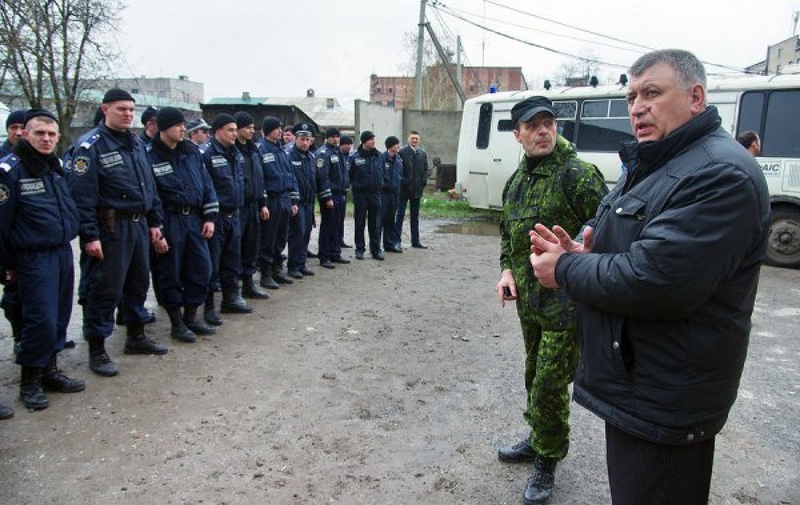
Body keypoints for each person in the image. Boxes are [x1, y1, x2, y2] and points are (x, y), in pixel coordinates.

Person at [529, 49, 770, 505]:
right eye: (631, 96)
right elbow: (639, 248)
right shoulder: (656, 161)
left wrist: (563, 267)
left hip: (665, 398)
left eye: (652, 93)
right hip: (639, 384)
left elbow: (655, 280)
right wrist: (586, 251)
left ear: (695, 97)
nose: (637, 106)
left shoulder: (719, 173)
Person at [495, 96, 608, 505]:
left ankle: (546, 458)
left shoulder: (577, 174)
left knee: (548, 383)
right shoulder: (516, 181)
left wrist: (583, 259)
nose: (543, 130)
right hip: (530, 305)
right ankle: (538, 436)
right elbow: (508, 234)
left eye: (549, 123)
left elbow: (609, 230)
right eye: (533, 125)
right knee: (533, 374)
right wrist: (507, 270)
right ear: (518, 134)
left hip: (568, 305)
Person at [67, 88, 168, 378]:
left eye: (130, 109)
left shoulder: (136, 143)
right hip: (109, 228)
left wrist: (154, 222)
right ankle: (97, 350)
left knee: (137, 281)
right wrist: (89, 235)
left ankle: (136, 336)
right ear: (105, 109)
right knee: (103, 288)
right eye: (121, 108)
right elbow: (82, 196)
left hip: (138, 224)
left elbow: (149, 187)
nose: (127, 113)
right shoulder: (90, 147)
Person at [0, 109, 85, 410]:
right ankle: (30, 381)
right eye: (39, 133)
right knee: (40, 321)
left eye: (51, 134)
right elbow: (1, 224)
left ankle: (50, 371)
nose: (46, 139)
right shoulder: (10, 170)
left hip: (61, 252)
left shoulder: (54, 166)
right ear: (24, 134)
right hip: (32, 258)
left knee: (60, 316)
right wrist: (6, 266)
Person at [146, 107, 219, 343]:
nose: (183, 129)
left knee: (201, 269)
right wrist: (157, 227)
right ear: (164, 127)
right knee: (170, 273)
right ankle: (177, 323)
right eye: (178, 125)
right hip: (169, 220)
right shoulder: (150, 155)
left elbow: (206, 185)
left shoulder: (191, 153)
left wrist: (209, 217)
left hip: (194, 219)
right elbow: (150, 194)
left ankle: (192, 317)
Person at [199, 113, 252, 323]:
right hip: (216, 216)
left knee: (232, 259)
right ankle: (209, 306)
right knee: (212, 263)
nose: (233, 133)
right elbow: (204, 187)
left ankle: (231, 299)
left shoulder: (235, 153)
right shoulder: (206, 153)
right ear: (217, 130)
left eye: (234, 129)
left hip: (234, 213)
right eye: (230, 130)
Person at [257, 117, 298, 288]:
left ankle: (277, 269)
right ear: (267, 130)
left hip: (284, 198)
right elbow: (260, 179)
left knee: (281, 236)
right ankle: (266, 274)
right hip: (271, 199)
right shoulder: (260, 150)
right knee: (268, 238)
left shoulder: (281, 150)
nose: (280, 132)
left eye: (280, 129)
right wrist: (263, 203)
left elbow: (291, 175)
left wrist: (293, 200)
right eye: (276, 129)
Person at [233, 111, 270, 300]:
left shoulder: (253, 150)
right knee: (235, 248)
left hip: (254, 205)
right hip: (238, 207)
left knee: (251, 246)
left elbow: (259, 178)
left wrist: (263, 203)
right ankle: (233, 291)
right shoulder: (232, 150)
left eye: (253, 128)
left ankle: (249, 285)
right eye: (248, 127)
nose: (251, 131)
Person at [1, 109, 27, 367]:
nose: (18, 133)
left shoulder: (38, 161)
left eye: (22, 127)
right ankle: (20, 337)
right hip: (11, 245)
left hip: (30, 242)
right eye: (13, 127)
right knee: (13, 297)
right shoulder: (4, 164)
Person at [287, 122, 330, 278]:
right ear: (296, 139)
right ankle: (292, 266)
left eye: (308, 140)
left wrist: (325, 196)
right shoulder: (289, 156)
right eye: (302, 139)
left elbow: (317, 179)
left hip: (309, 202)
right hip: (296, 203)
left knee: (306, 233)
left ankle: (301, 263)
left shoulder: (311, 157)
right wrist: (292, 201)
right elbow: (288, 180)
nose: (305, 142)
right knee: (296, 234)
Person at [315, 128, 350, 268]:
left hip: (340, 194)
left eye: (337, 137)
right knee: (327, 226)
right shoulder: (323, 154)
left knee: (337, 225)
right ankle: (324, 256)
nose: (336, 139)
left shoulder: (338, 152)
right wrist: (327, 197)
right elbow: (323, 177)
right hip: (330, 195)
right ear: (327, 138)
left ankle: (335, 252)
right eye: (333, 137)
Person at [349, 130, 384, 261]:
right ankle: (359, 249)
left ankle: (376, 249)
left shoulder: (379, 156)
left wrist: (381, 184)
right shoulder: (355, 157)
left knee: (375, 223)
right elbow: (350, 175)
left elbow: (383, 173)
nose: (373, 141)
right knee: (360, 222)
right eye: (371, 139)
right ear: (364, 141)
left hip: (375, 194)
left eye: (374, 139)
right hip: (360, 194)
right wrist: (357, 186)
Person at [395, 130, 429, 249]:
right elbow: (398, 170)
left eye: (417, 138)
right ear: (408, 139)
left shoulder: (422, 153)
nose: (415, 140)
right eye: (413, 138)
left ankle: (415, 241)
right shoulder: (402, 152)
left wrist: (423, 181)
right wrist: (404, 182)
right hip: (403, 190)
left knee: (415, 217)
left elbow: (426, 169)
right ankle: (396, 241)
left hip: (417, 190)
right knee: (400, 216)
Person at [380, 136, 403, 253]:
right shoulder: (381, 159)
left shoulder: (398, 160)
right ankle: (376, 246)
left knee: (390, 220)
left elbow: (400, 176)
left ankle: (389, 244)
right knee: (379, 220)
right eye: (396, 144)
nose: (398, 146)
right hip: (383, 194)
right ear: (390, 146)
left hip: (394, 194)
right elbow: (380, 177)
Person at [338, 135, 354, 249]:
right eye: (346, 144)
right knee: (334, 219)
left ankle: (340, 239)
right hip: (336, 191)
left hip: (344, 190)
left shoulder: (350, 157)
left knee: (341, 218)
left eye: (350, 144)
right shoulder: (338, 156)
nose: (349, 147)